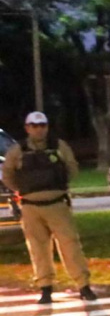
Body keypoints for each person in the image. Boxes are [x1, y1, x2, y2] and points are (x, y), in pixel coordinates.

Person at [1, 111, 97, 304]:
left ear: (47, 126)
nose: (39, 129)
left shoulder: (58, 146)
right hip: (31, 207)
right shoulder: (17, 150)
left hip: (57, 204)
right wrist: (23, 190)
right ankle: (45, 288)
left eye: (42, 125)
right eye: (34, 125)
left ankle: (83, 285)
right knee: (38, 248)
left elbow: (72, 168)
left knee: (70, 245)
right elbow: (7, 174)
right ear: (27, 128)